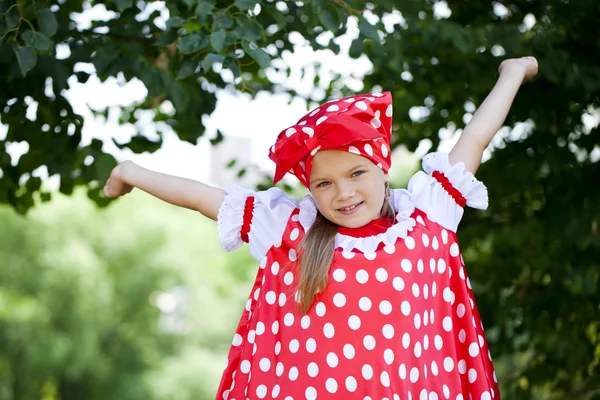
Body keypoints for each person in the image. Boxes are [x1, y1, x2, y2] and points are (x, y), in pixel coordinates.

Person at [104, 56, 538, 400]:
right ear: (309, 188)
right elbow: (203, 197)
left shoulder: (427, 217)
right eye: (324, 184)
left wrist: (513, 73)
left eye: (356, 174)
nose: (343, 193)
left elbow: (476, 138)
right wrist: (132, 171)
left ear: (383, 168)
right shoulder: (292, 231)